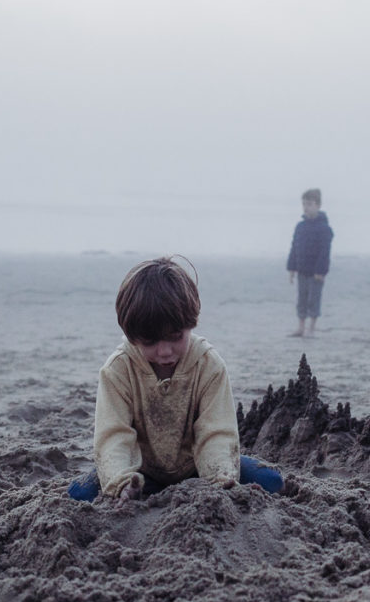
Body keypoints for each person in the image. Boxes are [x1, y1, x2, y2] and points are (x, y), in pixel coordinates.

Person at [67, 257, 284, 502]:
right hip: (141, 471)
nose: (165, 351)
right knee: (78, 494)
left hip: (197, 467)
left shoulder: (208, 365)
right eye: (150, 341)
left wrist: (221, 479)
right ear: (133, 336)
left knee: (272, 481)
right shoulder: (117, 370)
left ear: (190, 324)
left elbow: (217, 432)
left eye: (175, 337)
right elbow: (114, 435)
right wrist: (121, 482)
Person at [286, 188, 334, 338]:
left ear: (318, 205)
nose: (306, 207)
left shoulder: (324, 228)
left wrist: (321, 271)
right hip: (302, 269)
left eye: (309, 204)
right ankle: (301, 327)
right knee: (302, 298)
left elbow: (325, 252)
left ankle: (311, 328)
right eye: (304, 204)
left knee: (314, 299)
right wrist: (292, 268)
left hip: (316, 272)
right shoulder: (300, 226)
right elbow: (295, 247)